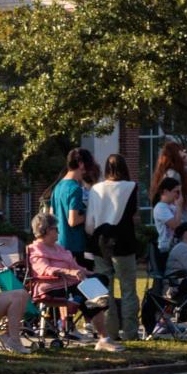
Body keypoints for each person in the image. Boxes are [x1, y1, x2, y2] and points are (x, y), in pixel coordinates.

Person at [26, 209, 121, 352]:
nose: (58, 232)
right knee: (88, 295)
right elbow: (44, 269)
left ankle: (97, 318)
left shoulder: (58, 248)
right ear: (44, 230)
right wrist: (69, 272)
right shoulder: (36, 249)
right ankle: (103, 337)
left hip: (71, 284)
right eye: (55, 229)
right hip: (51, 287)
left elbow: (76, 267)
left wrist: (90, 273)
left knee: (99, 279)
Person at [86, 153, 140, 342]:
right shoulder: (131, 187)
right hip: (124, 240)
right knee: (128, 289)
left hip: (100, 242)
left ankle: (110, 332)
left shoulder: (95, 189)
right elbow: (134, 215)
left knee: (104, 289)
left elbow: (89, 223)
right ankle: (131, 332)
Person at [48, 150, 94, 269]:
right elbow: (73, 221)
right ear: (81, 164)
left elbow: (51, 216)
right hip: (74, 245)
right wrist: (90, 214)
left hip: (59, 244)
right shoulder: (75, 188)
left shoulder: (57, 187)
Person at [150, 175, 184, 276]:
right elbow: (174, 225)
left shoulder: (172, 206)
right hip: (166, 249)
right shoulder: (160, 207)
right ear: (165, 191)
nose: (178, 195)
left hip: (175, 246)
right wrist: (179, 206)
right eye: (176, 192)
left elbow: (180, 224)